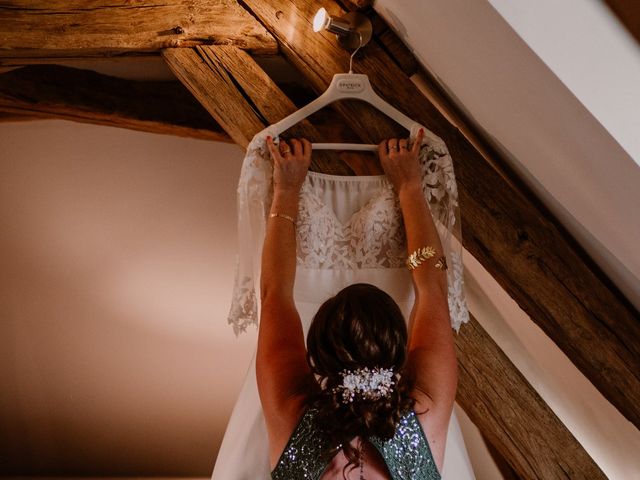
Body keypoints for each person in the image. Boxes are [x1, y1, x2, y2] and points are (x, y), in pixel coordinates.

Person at [257, 129, 458, 479]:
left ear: (316, 352)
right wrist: (410, 186)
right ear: (400, 348)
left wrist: (286, 191)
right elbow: (432, 287)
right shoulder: (425, 413)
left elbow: (274, 292)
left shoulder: (293, 411)